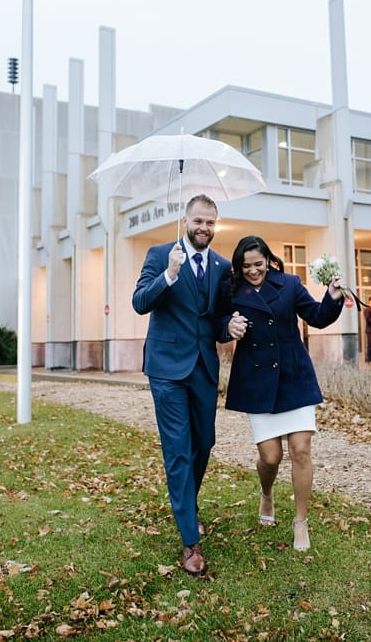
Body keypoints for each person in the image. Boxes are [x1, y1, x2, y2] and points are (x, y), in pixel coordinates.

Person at [131, 194, 245, 576]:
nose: (204, 228)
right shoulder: (160, 254)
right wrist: (169, 275)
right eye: (198, 221)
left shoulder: (222, 266)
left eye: (210, 222)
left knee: (204, 442)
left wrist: (229, 327)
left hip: (203, 368)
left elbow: (217, 319)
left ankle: (186, 504)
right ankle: (189, 540)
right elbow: (139, 302)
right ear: (186, 221)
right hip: (166, 369)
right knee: (178, 449)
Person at [218, 235, 344, 551]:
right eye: (246, 266)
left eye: (258, 264)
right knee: (270, 456)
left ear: (268, 260)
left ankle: (300, 522)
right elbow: (216, 321)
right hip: (256, 381)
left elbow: (317, 316)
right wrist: (228, 326)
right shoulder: (231, 289)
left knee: (301, 451)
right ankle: (266, 493)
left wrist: (332, 297)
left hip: (293, 377)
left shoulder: (289, 284)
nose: (253, 271)